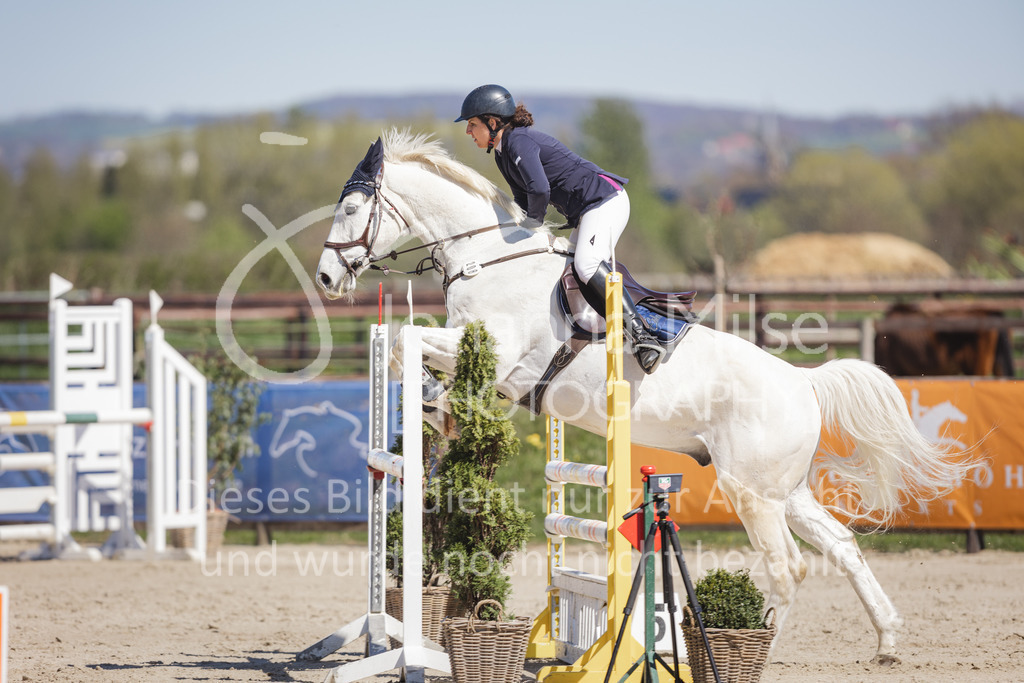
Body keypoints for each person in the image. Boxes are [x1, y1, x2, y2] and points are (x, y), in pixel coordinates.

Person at [456, 84, 663, 373]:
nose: (468, 132)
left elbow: (539, 190)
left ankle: (642, 335)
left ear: (493, 123)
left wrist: (531, 226)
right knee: (568, 267)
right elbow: (522, 199)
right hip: (588, 210)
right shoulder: (503, 152)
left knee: (587, 264)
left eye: (472, 124)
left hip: (605, 200)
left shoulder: (519, 142)